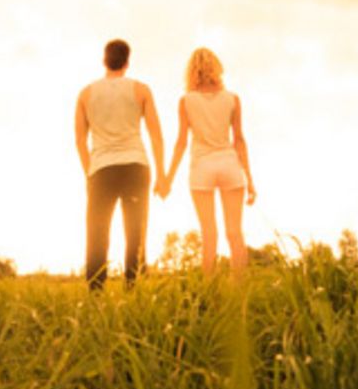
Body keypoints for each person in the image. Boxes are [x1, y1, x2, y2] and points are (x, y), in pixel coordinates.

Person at [75, 39, 166, 289]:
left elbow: (80, 140)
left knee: (96, 235)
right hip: (135, 167)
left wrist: (89, 173)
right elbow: (156, 136)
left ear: (104, 61)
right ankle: (133, 293)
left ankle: (96, 296)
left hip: (101, 170)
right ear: (127, 62)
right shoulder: (141, 90)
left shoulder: (86, 93)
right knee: (136, 235)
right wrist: (162, 175)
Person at [159, 48, 256, 277]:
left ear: (191, 72)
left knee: (209, 234)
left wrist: (167, 179)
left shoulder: (186, 102)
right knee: (234, 233)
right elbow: (239, 140)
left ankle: (208, 294)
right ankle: (239, 293)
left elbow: (181, 142)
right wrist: (250, 180)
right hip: (230, 165)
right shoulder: (233, 99)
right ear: (217, 68)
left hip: (202, 168)